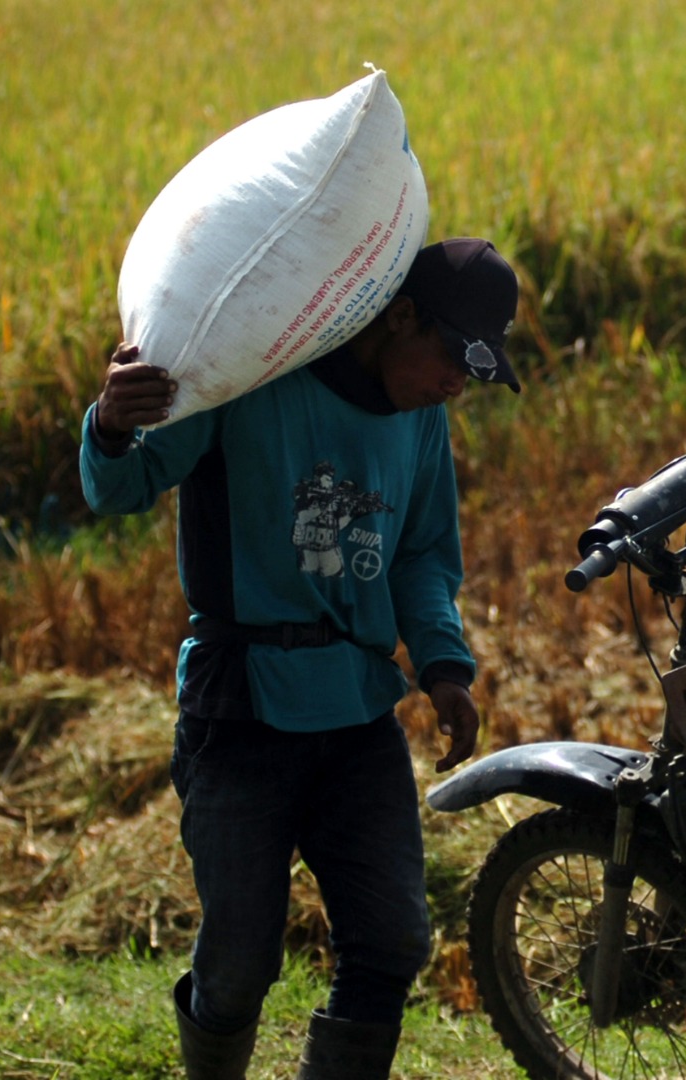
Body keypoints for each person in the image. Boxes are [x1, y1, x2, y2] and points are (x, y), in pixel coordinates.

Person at [79, 238, 522, 1080]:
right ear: (397, 318)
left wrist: (444, 667)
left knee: (391, 943)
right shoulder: (254, 376)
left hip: (358, 711)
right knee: (242, 962)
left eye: (476, 372)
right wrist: (109, 422)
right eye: (451, 359)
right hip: (240, 708)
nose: (456, 386)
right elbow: (120, 488)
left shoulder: (420, 422)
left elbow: (423, 557)